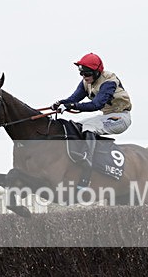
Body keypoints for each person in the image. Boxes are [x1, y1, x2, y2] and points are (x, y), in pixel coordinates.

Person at [51, 53, 133, 188]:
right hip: (106, 116)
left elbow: (96, 105)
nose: (84, 77)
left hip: (121, 117)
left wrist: (72, 106)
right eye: (81, 74)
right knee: (77, 126)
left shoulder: (109, 82)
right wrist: (60, 103)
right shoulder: (86, 82)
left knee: (89, 126)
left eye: (87, 73)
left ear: (97, 72)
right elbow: (73, 99)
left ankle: (87, 164)